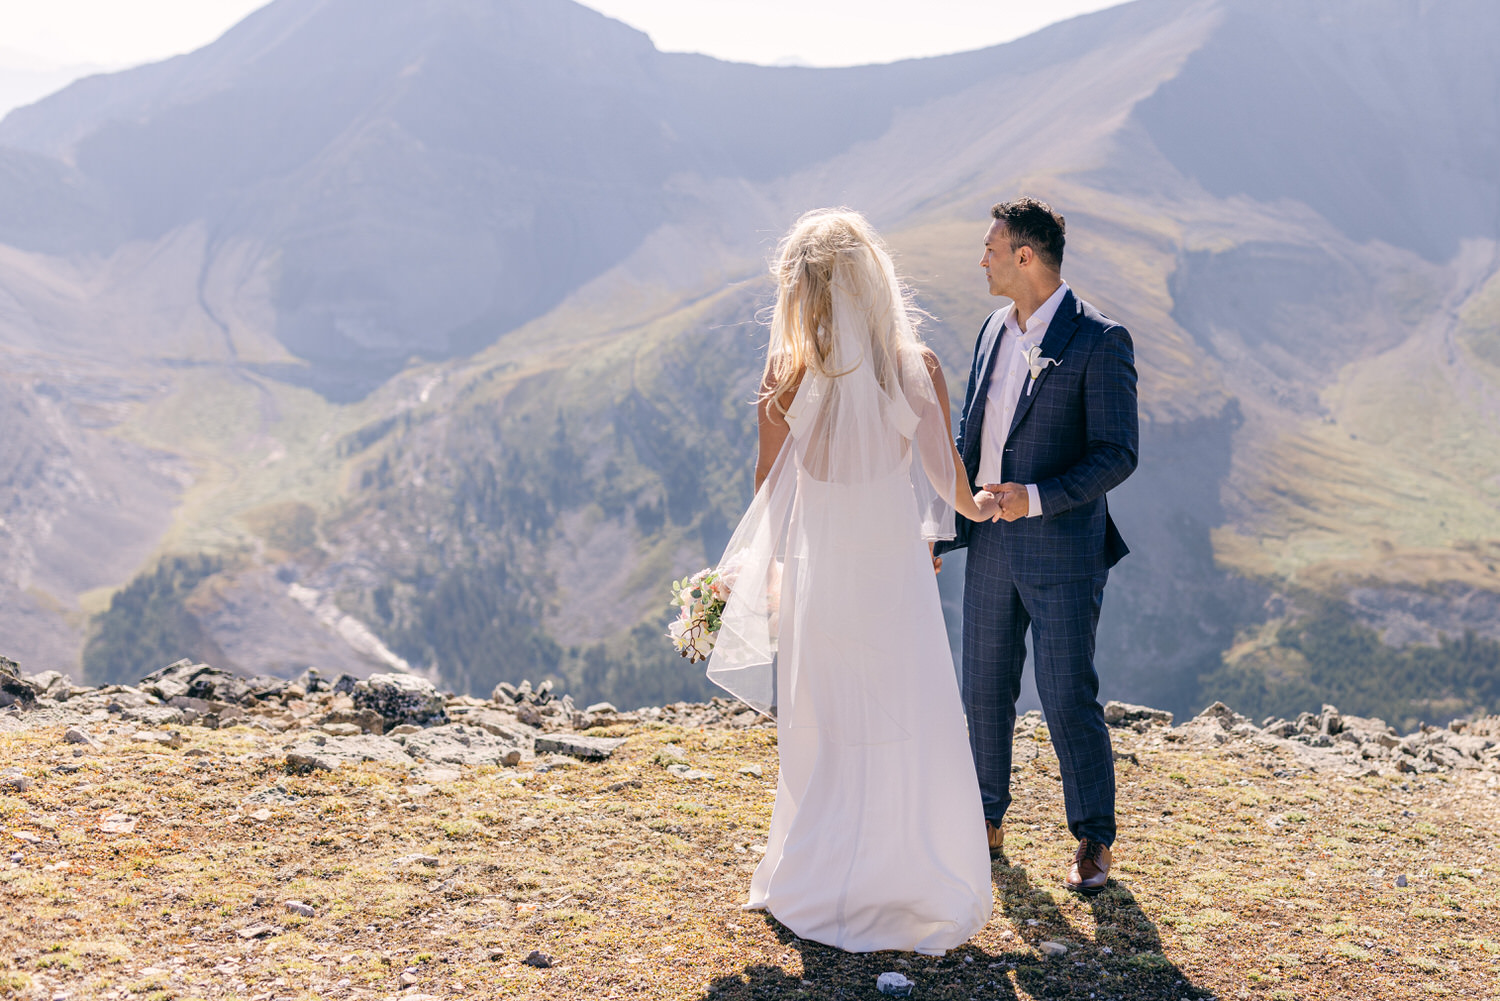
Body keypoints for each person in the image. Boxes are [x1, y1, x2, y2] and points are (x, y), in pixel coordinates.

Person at [705, 208, 997, 955]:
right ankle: (901, 875)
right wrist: (989, 504)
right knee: (901, 714)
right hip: (893, 574)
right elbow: (950, 483)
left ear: (801, 294)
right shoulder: (914, 366)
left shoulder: (785, 372)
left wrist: (744, 581)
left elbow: (768, 489)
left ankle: (821, 871)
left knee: (826, 721)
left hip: (819, 572)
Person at [935, 197, 1139, 894]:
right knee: (983, 689)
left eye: (991, 247)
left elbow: (1118, 454)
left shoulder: (1101, 340)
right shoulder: (993, 329)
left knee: (1064, 693)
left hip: (1062, 551)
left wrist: (1037, 495)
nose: (982, 258)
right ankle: (985, 820)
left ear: (1026, 256)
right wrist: (945, 527)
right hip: (989, 545)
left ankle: (1092, 838)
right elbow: (970, 438)